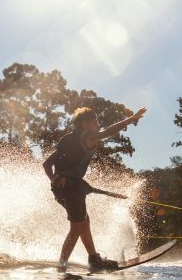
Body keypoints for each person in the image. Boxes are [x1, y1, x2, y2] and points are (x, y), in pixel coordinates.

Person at [43, 105, 147, 270]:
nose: (98, 125)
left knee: (84, 221)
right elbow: (106, 132)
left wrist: (54, 179)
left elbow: (47, 164)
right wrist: (131, 119)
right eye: (95, 122)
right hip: (70, 188)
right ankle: (61, 265)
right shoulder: (86, 137)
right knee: (77, 226)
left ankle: (94, 259)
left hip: (66, 188)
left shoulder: (68, 139)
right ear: (85, 124)